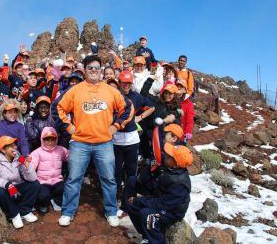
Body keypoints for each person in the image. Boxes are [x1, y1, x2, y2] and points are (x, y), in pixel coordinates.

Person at [52, 55, 133, 227]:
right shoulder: (75, 90)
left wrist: (116, 126)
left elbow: (127, 108)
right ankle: (68, 212)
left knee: (109, 179)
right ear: (85, 71)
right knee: (74, 178)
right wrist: (68, 127)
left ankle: (111, 211)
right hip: (80, 143)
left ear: (101, 70)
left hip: (104, 143)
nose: (94, 71)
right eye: (90, 68)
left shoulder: (110, 90)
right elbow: (57, 107)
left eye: (97, 68)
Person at [123, 125, 192, 243]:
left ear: (175, 164)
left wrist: (138, 201)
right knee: (130, 203)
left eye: (169, 156)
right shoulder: (170, 166)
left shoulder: (180, 184)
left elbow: (163, 204)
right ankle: (145, 233)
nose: (166, 155)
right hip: (160, 195)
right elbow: (145, 178)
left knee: (147, 214)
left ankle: (155, 241)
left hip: (172, 211)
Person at [114, 71, 155, 201]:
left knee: (131, 171)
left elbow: (152, 107)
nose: (126, 85)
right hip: (116, 139)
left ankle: (129, 199)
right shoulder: (114, 95)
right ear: (119, 83)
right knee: (116, 171)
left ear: (131, 84)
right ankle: (115, 197)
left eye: (129, 83)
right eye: (123, 82)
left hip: (132, 139)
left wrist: (140, 117)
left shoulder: (137, 97)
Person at [0, 136, 40, 229]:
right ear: (3, 150)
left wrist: (27, 166)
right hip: (5, 190)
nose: (15, 147)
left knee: (35, 184)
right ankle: (14, 214)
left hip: (16, 188)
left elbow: (32, 178)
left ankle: (24, 211)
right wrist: (8, 185)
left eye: (15, 144)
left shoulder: (18, 157)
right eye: (11, 146)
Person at [30, 127, 69, 213]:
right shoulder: (37, 152)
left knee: (65, 189)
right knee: (43, 196)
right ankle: (44, 203)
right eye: (47, 140)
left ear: (56, 139)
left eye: (53, 139)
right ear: (42, 140)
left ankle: (56, 200)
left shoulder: (61, 150)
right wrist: (25, 164)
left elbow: (70, 157)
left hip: (57, 180)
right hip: (43, 181)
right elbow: (30, 167)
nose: (50, 142)